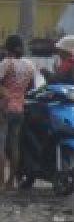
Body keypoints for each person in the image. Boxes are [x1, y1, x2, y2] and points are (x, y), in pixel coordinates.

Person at [0, 35, 35, 189]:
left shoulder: (6, 63)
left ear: (8, 49)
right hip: (19, 109)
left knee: (0, 146)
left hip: (4, 108)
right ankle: (11, 182)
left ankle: (1, 182)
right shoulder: (29, 65)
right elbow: (31, 88)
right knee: (14, 145)